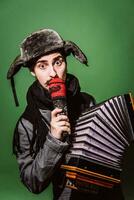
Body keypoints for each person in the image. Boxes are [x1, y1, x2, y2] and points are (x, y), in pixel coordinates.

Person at [7, 28, 124, 200]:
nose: (53, 73)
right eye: (42, 66)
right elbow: (33, 183)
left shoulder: (87, 102)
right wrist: (54, 140)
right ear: (32, 71)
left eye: (58, 62)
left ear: (66, 62)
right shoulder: (27, 124)